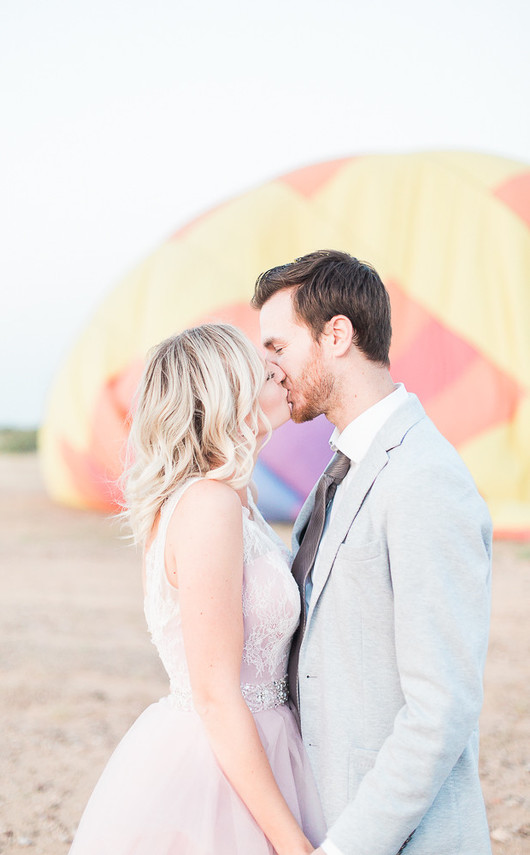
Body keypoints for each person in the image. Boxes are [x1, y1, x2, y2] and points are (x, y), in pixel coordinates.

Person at [252, 250, 493, 855]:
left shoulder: (423, 477)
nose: (269, 369)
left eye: (278, 347)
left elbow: (440, 711)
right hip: (325, 814)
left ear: (337, 334)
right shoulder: (342, 469)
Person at [67, 323, 326, 855]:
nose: (278, 373)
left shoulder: (236, 497)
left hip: (266, 741)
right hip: (218, 760)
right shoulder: (208, 504)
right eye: (262, 371)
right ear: (227, 393)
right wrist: (289, 841)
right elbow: (214, 693)